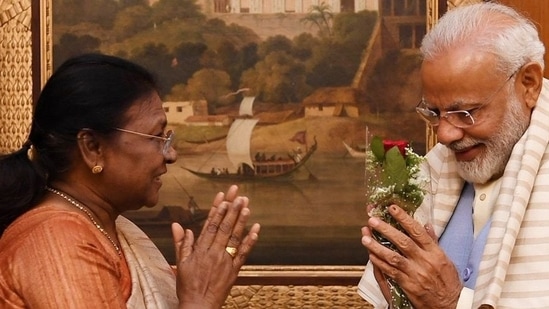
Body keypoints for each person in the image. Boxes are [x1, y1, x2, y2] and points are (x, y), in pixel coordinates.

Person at [0, 53, 261, 308]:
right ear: (93, 148)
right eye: (157, 137)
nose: (171, 154)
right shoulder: (56, 243)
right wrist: (199, 301)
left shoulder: (112, 229)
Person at [358, 2, 548, 308]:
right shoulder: (434, 172)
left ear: (529, 84)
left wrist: (451, 302)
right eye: (434, 112)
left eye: (466, 112)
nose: (444, 135)